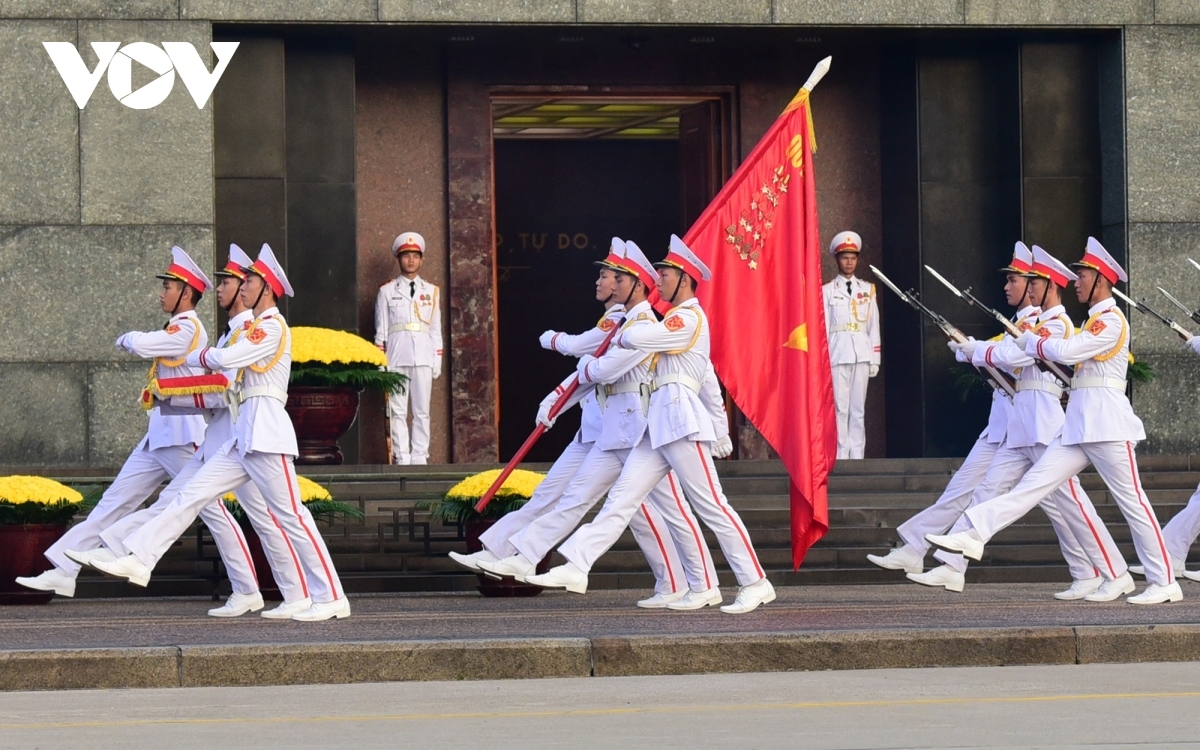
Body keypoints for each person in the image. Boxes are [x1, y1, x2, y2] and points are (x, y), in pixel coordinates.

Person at [88, 245, 352, 621]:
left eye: (251, 281)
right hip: (244, 434)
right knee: (189, 495)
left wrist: (193, 355)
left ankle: (331, 596)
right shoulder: (257, 327)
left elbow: (227, 360)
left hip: (266, 432)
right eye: (243, 281)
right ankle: (139, 558)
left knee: (291, 515)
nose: (243, 287)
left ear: (269, 288)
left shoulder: (273, 327)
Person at [526, 235, 775, 614]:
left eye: (665, 273)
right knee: (621, 499)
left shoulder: (688, 317)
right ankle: (578, 564)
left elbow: (648, 337)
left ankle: (755, 581)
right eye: (658, 272)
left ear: (685, 280)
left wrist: (624, 330)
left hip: (681, 422)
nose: (658, 279)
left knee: (711, 506)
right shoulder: (674, 318)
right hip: (659, 423)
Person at [928, 237, 1182, 605]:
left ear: (1101, 280)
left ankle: (1164, 581)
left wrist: (1031, 343)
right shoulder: (1093, 321)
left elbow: (1068, 350)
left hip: (1108, 424)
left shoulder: (1110, 321)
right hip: (1079, 423)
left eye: (1082, 275)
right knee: (1032, 485)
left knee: (1133, 503)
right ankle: (974, 532)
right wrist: (982, 349)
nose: (1076, 281)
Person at [473, 240, 723, 608]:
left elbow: (606, 366)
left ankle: (702, 584)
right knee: (601, 502)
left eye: (617, 278)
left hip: (646, 426)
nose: (610, 284)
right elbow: (592, 364)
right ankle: (529, 556)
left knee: (673, 511)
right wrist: (558, 396)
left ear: (637, 284)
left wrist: (718, 425)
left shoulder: (651, 323)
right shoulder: (623, 321)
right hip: (618, 430)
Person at [16, 247, 212, 598]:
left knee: (203, 510)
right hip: (160, 435)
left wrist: (129, 337)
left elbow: (145, 345)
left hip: (184, 436)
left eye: (168, 287)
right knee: (113, 502)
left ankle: (247, 584)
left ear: (186, 293)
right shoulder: (176, 327)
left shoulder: (189, 330)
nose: (161, 293)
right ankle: (64, 568)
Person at [375, 231, 443, 465]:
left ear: (422, 259)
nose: (411, 260)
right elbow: (381, 330)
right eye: (406, 256)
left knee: (422, 410)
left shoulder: (431, 291)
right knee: (397, 410)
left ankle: (420, 456)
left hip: (423, 355)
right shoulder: (387, 291)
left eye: (415, 256)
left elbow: (435, 328)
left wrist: (437, 359)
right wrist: (381, 361)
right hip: (396, 354)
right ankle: (402, 456)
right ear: (399, 259)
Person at [822, 231, 880, 459]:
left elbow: (873, 326)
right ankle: (840, 455)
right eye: (845, 257)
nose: (849, 262)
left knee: (858, 409)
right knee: (840, 408)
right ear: (837, 259)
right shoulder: (827, 291)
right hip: (837, 354)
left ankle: (857, 456)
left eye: (853, 257)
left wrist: (875, 358)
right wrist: (823, 359)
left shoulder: (867, 290)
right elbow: (824, 326)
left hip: (862, 354)